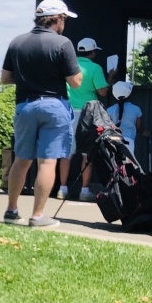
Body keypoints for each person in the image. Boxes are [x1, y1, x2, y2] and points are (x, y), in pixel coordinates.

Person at [0, 0, 83, 227]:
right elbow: (75, 82)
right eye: (64, 19)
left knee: (21, 160)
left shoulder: (17, 42)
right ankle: (37, 216)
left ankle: (11, 211)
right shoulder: (62, 43)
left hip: (25, 106)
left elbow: (5, 78)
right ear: (58, 19)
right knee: (47, 161)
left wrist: (28, 78)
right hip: (54, 106)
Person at [59, 36, 109, 201]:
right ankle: (84, 191)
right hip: (88, 113)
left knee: (67, 153)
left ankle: (62, 189)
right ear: (92, 52)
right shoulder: (95, 68)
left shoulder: (69, 65)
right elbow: (102, 91)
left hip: (69, 112)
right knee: (87, 154)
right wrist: (111, 79)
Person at [107, 80, 147, 159]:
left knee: (114, 164)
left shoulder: (109, 110)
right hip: (129, 141)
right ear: (130, 95)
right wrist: (144, 132)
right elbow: (138, 127)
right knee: (128, 164)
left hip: (113, 141)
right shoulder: (136, 109)